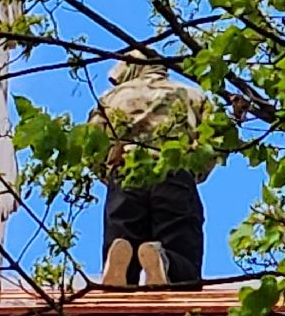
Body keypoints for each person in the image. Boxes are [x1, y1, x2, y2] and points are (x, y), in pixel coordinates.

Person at [89, 48, 212, 288]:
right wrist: (194, 170)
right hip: (174, 172)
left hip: (126, 173)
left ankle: (120, 265)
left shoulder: (110, 98)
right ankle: (165, 262)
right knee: (181, 243)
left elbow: (93, 143)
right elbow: (214, 140)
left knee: (123, 231)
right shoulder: (192, 95)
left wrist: (108, 172)